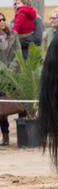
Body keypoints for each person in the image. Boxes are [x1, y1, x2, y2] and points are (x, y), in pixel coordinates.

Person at [0, 12, 22, 146]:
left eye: (3, 19)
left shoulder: (13, 35)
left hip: (14, 74)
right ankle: (5, 135)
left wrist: (12, 68)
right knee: (2, 108)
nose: (1, 21)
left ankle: (22, 135)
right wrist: (3, 69)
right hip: (1, 76)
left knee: (21, 104)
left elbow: (18, 52)